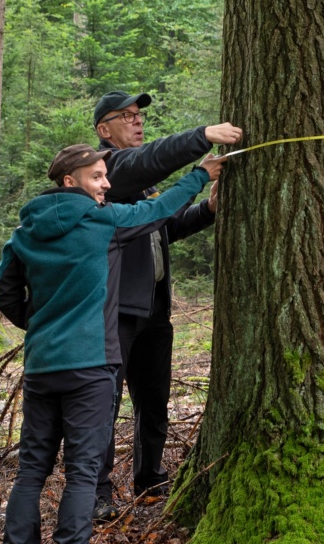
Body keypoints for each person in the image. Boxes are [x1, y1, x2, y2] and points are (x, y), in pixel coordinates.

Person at [0, 144, 224, 544]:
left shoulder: (22, 233)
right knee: (82, 472)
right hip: (92, 366)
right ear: (70, 182)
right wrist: (201, 174)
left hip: (41, 366)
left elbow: (5, 296)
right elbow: (156, 210)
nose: (106, 185)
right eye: (98, 177)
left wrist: (39, 324)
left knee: (31, 472)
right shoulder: (100, 222)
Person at [90, 91, 242, 520]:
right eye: (127, 117)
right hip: (117, 310)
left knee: (153, 398)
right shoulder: (109, 171)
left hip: (154, 309)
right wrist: (201, 138)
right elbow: (147, 161)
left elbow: (165, 226)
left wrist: (207, 209)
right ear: (105, 130)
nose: (137, 122)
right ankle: (98, 492)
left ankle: (150, 478)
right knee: (106, 399)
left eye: (139, 116)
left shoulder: (144, 183)